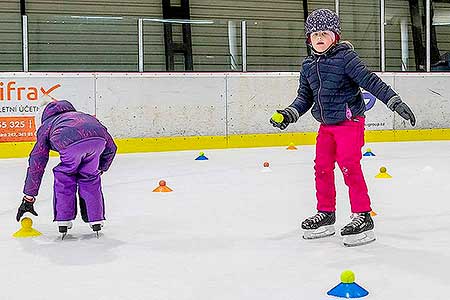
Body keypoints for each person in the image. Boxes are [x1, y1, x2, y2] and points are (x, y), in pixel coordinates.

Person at [270, 9, 416, 246]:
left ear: (335, 37)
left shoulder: (346, 58)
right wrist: (289, 114)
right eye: (314, 33)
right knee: (322, 168)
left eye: (324, 33)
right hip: (326, 127)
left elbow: (371, 81)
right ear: (309, 38)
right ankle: (326, 213)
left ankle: (362, 215)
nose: (319, 37)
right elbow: (304, 98)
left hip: (350, 123)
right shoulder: (308, 66)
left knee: (349, 166)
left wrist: (395, 102)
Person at [16, 96, 117, 238]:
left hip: (69, 142)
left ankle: (64, 219)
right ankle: (96, 219)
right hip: (98, 140)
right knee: (90, 176)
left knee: (64, 176)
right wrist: (101, 167)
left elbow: (37, 162)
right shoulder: (84, 116)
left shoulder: (47, 125)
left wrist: (29, 197)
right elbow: (111, 147)